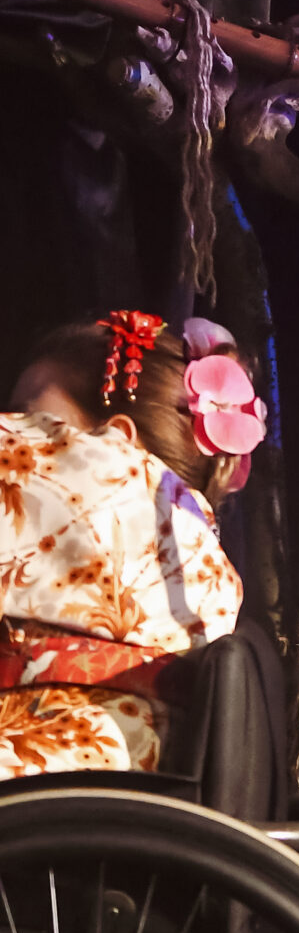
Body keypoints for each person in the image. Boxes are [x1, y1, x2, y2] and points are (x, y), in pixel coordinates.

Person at [1, 313, 261, 779]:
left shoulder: (99, 479)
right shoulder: (210, 577)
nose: (15, 431)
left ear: (117, 442)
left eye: (31, 418)